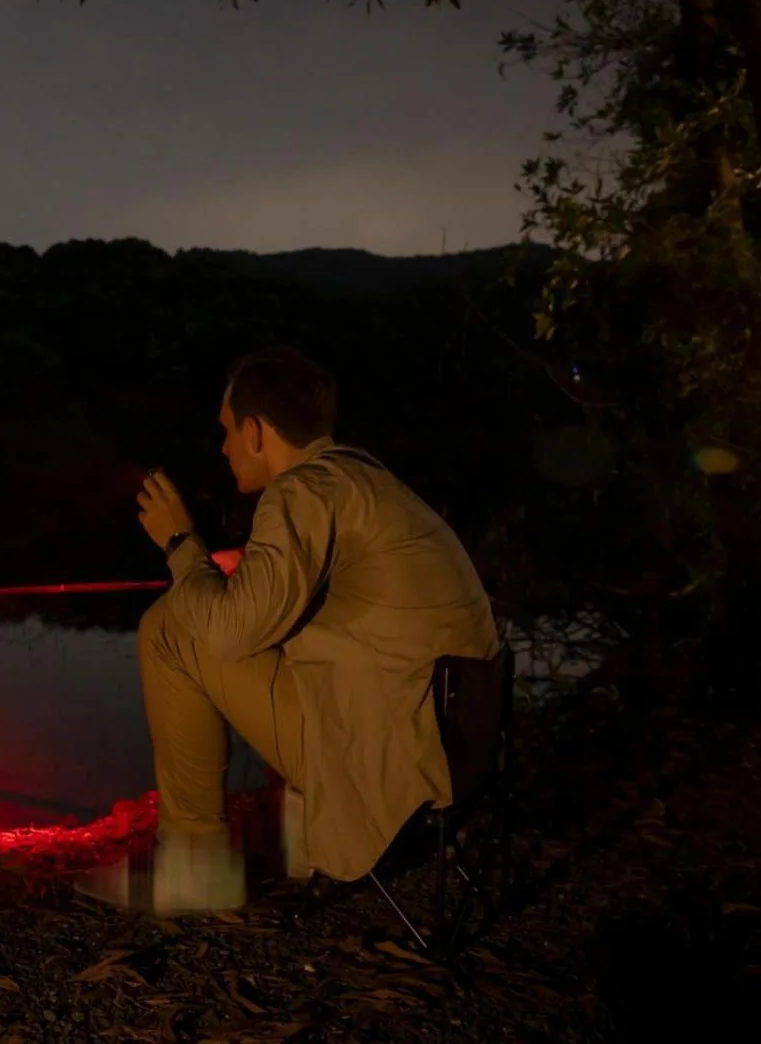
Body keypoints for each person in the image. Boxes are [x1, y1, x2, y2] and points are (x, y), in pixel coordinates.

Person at [78, 345, 501, 915]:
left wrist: (182, 545)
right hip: (456, 746)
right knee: (222, 614)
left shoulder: (299, 492)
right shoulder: (360, 480)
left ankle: (194, 869)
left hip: (393, 765)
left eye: (227, 430)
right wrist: (239, 568)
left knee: (172, 628)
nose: (224, 447)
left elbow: (228, 635)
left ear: (255, 432)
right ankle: (287, 842)